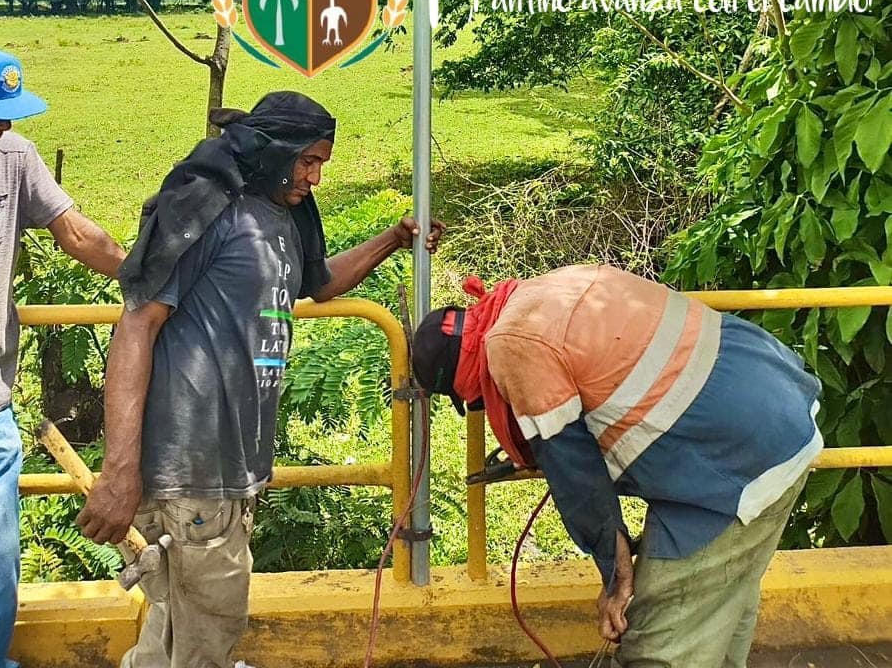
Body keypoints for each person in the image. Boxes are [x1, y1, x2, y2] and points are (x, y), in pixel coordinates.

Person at [78, 91, 443, 668]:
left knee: (173, 630)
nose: (315, 178)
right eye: (307, 161)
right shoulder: (206, 208)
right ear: (272, 151)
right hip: (192, 464)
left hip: (229, 462)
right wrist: (119, 473)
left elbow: (318, 284)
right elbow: (136, 327)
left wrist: (392, 241)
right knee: (207, 640)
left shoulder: (282, 214)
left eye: (322, 162)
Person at [412, 264, 822, 668]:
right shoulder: (543, 290)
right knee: (721, 613)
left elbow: (578, 478)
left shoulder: (510, 345)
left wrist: (617, 578)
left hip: (730, 466)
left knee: (657, 646)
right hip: (780, 414)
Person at [0, 44, 125, 668]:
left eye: (11, 113)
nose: (4, 125)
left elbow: (76, 233)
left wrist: (152, 286)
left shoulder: (13, 159)